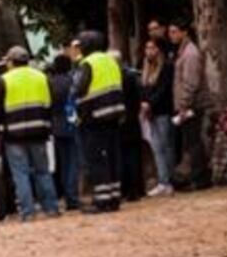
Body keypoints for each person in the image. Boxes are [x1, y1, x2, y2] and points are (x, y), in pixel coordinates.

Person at [0, 46, 59, 221]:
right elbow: (52, 104)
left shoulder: (3, 80)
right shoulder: (41, 77)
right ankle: (51, 208)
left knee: (21, 174)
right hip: (39, 132)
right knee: (43, 171)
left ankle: (27, 212)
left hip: (14, 136)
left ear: (11, 62)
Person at [74, 31, 127, 214]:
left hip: (94, 117)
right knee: (112, 158)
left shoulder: (87, 63)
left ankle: (102, 200)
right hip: (114, 116)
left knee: (97, 159)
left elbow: (79, 89)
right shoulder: (110, 61)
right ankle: (114, 198)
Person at [169, 19, 214, 191]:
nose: (171, 35)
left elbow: (191, 82)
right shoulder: (183, 52)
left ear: (184, 32)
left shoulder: (190, 53)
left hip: (193, 105)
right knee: (191, 141)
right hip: (188, 104)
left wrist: (183, 105)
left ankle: (201, 177)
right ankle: (198, 176)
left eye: (174, 31)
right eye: (170, 32)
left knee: (193, 142)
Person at [141, 37, 176, 197]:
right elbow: (145, 88)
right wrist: (144, 103)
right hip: (151, 112)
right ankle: (162, 180)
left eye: (152, 48)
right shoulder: (147, 68)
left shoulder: (167, 67)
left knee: (166, 146)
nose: (149, 51)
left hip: (163, 110)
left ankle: (168, 181)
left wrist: (150, 103)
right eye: (147, 48)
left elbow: (164, 90)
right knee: (156, 147)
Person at [111, 51, 146, 202]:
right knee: (132, 155)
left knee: (123, 156)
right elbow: (138, 99)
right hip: (131, 119)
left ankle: (127, 189)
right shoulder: (130, 76)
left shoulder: (113, 79)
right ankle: (136, 188)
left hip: (119, 120)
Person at [49, 54, 80, 211]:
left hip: (56, 126)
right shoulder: (72, 81)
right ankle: (73, 197)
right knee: (74, 162)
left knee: (64, 163)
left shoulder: (50, 82)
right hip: (72, 124)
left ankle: (68, 196)